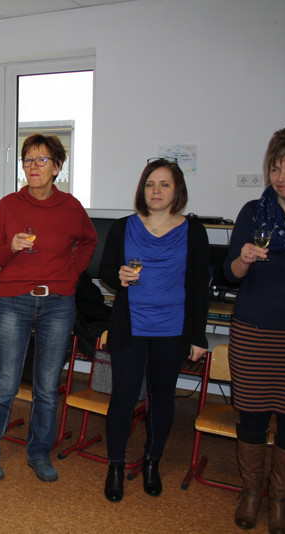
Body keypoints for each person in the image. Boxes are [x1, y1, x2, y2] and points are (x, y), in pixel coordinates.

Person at [0, 133, 97, 482]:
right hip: (14, 301)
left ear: (57, 166)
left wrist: (71, 274)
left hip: (58, 304)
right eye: (28, 160)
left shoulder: (71, 207)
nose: (33, 166)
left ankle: (39, 451)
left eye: (41, 160)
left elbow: (89, 241)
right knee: (6, 382)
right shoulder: (9, 205)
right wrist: (10, 248)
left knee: (46, 385)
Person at [100, 157, 209, 503]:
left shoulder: (194, 230)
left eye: (164, 184)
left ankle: (152, 462)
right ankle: (115, 464)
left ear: (177, 190)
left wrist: (198, 335)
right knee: (123, 396)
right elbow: (105, 271)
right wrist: (118, 276)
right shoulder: (123, 227)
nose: (156, 190)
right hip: (131, 325)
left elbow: (199, 287)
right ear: (142, 189)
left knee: (162, 398)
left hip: (173, 328)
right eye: (150, 184)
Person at [225, 125, 285, 534]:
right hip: (252, 331)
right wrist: (243, 258)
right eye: (276, 169)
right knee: (252, 419)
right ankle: (252, 493)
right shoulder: (253, 213)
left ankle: (280, 500)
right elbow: (231, 274)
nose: (282, 178)